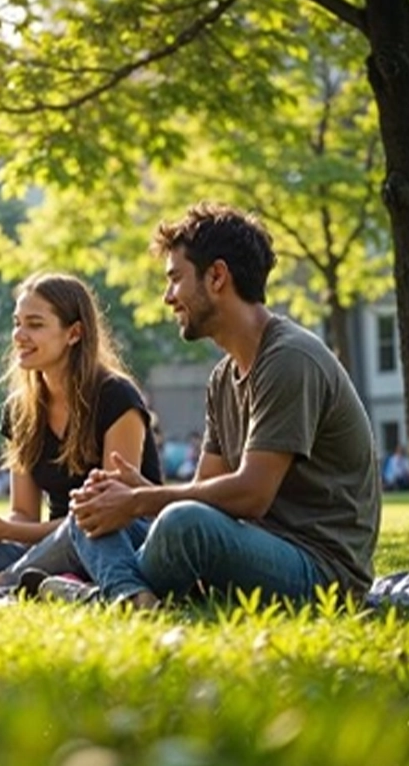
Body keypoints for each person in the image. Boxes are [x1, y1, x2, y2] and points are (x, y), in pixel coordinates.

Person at [53, 203, 381, 608]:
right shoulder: (223, 379)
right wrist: (134, 492)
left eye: (175, 279)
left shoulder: (290, 358)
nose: (168, 297)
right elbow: (204, 492)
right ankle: (132, 595)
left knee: (181, 525)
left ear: (217, 277)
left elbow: (251, 495)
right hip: (251, 547)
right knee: (88, 515)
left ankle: (110, 589)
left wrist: (140, 502)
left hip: (319, 569)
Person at [0, 273, 161, 595]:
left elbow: (111, 512)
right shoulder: (20, 410)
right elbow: (24, 514)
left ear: (74, 333)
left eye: (35, 324)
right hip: (51, 547)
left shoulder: (116, 396)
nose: (19, 336)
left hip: (117, 539)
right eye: (17, 323)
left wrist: (9, 531)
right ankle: (45, 583)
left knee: (84, 524)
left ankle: (1, 585)